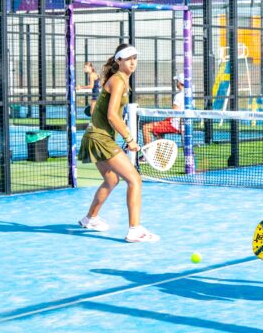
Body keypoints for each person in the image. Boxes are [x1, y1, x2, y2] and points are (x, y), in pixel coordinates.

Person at [76, 44, 159, 243]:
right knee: (135, 180)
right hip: (100, 138)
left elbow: (112, 116)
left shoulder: (120, 80)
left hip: (94, 136)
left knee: (111, 180)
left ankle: (90, 218)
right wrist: (129, 139)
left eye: (135, 58)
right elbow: (112, 115)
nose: (132, 62)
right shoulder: (118, 80)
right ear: (119, 61)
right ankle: (135, 230)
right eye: (128, 58)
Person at [142, 74, 185, 146]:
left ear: (180, 82)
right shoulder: (189, 95)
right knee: (157, 131)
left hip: (175, 125)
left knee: (146, 127)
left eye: (177, 81)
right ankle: (160, 152)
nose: (176, 83)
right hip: (183, 125)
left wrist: (165, 120)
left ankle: (148, 151)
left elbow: (174, 112)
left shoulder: (178, 96)